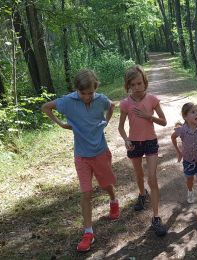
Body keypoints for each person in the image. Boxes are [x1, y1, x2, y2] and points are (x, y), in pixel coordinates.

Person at [41, 69, 120, 252]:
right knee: (86, 193)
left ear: (95, 88)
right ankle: (88, 232)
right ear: (76, 90)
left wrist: (105, 123)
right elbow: (46, 107)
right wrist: (61, 124)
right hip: (81, 156)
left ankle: (114, 200)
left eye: (90, 93)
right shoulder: (67, 102)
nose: (86, 97)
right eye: (82, 93)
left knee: (105, 183)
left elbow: (111, 107)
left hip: (100, 152)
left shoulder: (100, 99)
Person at [118, 65, 168, 236]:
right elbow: (121, 127)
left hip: (150, 142)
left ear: (145, 82)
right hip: (135, 144)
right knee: (139, 175)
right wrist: (126, 140)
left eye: (139, 83)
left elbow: (163, 121)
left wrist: (149, 116)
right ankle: (141, 194)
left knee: (152, 178)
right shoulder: (125, 104)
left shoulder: (152, 99)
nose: (137, 88)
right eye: (133, 85)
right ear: (128, 86)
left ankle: (156, 217)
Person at [171, 102, 197, 221]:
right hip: (188, 162)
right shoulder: (182, 130)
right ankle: (190, 190)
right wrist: (179, 152)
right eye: (193, 112)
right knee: (189, 181)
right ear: (185, 117)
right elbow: (173, 137)